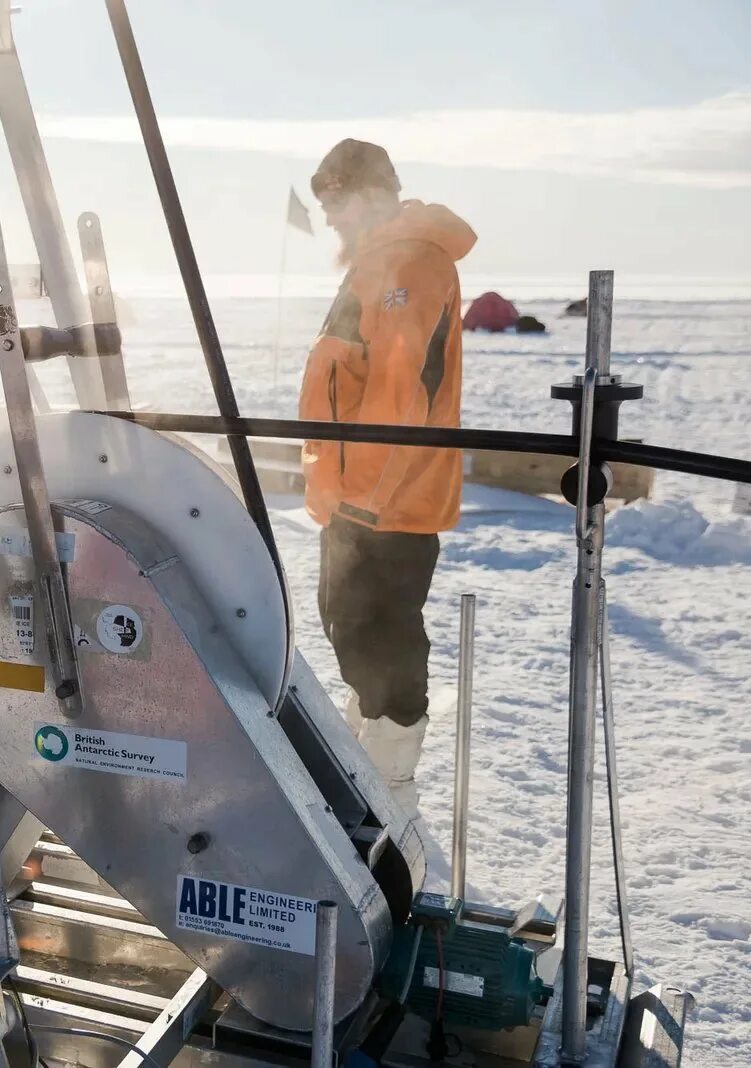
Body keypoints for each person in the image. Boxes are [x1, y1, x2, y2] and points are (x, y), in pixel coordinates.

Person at [298, 139, 476, 815]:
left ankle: (389, 786)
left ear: (372, 196)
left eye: (336, 204)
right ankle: (363, 757)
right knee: (350, 626)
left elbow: (401, 392)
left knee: (383, 636)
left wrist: (367, 501)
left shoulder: (412, 262)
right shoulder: (377, 264)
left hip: (388, 503)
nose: (329, 221)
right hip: (355, 498)